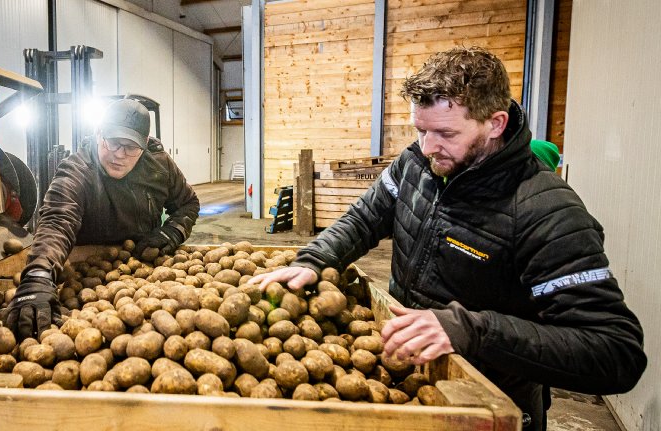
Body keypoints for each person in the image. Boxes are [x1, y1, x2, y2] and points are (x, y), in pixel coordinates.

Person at [249, 47, 645, 430]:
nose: (427, 147)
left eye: (445, 133)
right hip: (413, 377)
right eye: (420, 130)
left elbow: (615, 352)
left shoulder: (547, 212)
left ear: (496, 123)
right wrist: (313, 260)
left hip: (489, 402)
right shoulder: (416, 163)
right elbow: (365, 218)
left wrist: (470, 329)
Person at [6, 98, 200, 341]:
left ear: (145, 144)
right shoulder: (77, 171)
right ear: (99, 134)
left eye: (130, 147)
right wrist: (39, 275)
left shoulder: (159, 165)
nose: (119, 154)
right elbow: (57, 221)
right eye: (113, 143)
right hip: (86, 270)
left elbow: (188, 203)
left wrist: (173, 232)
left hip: (144, 267)